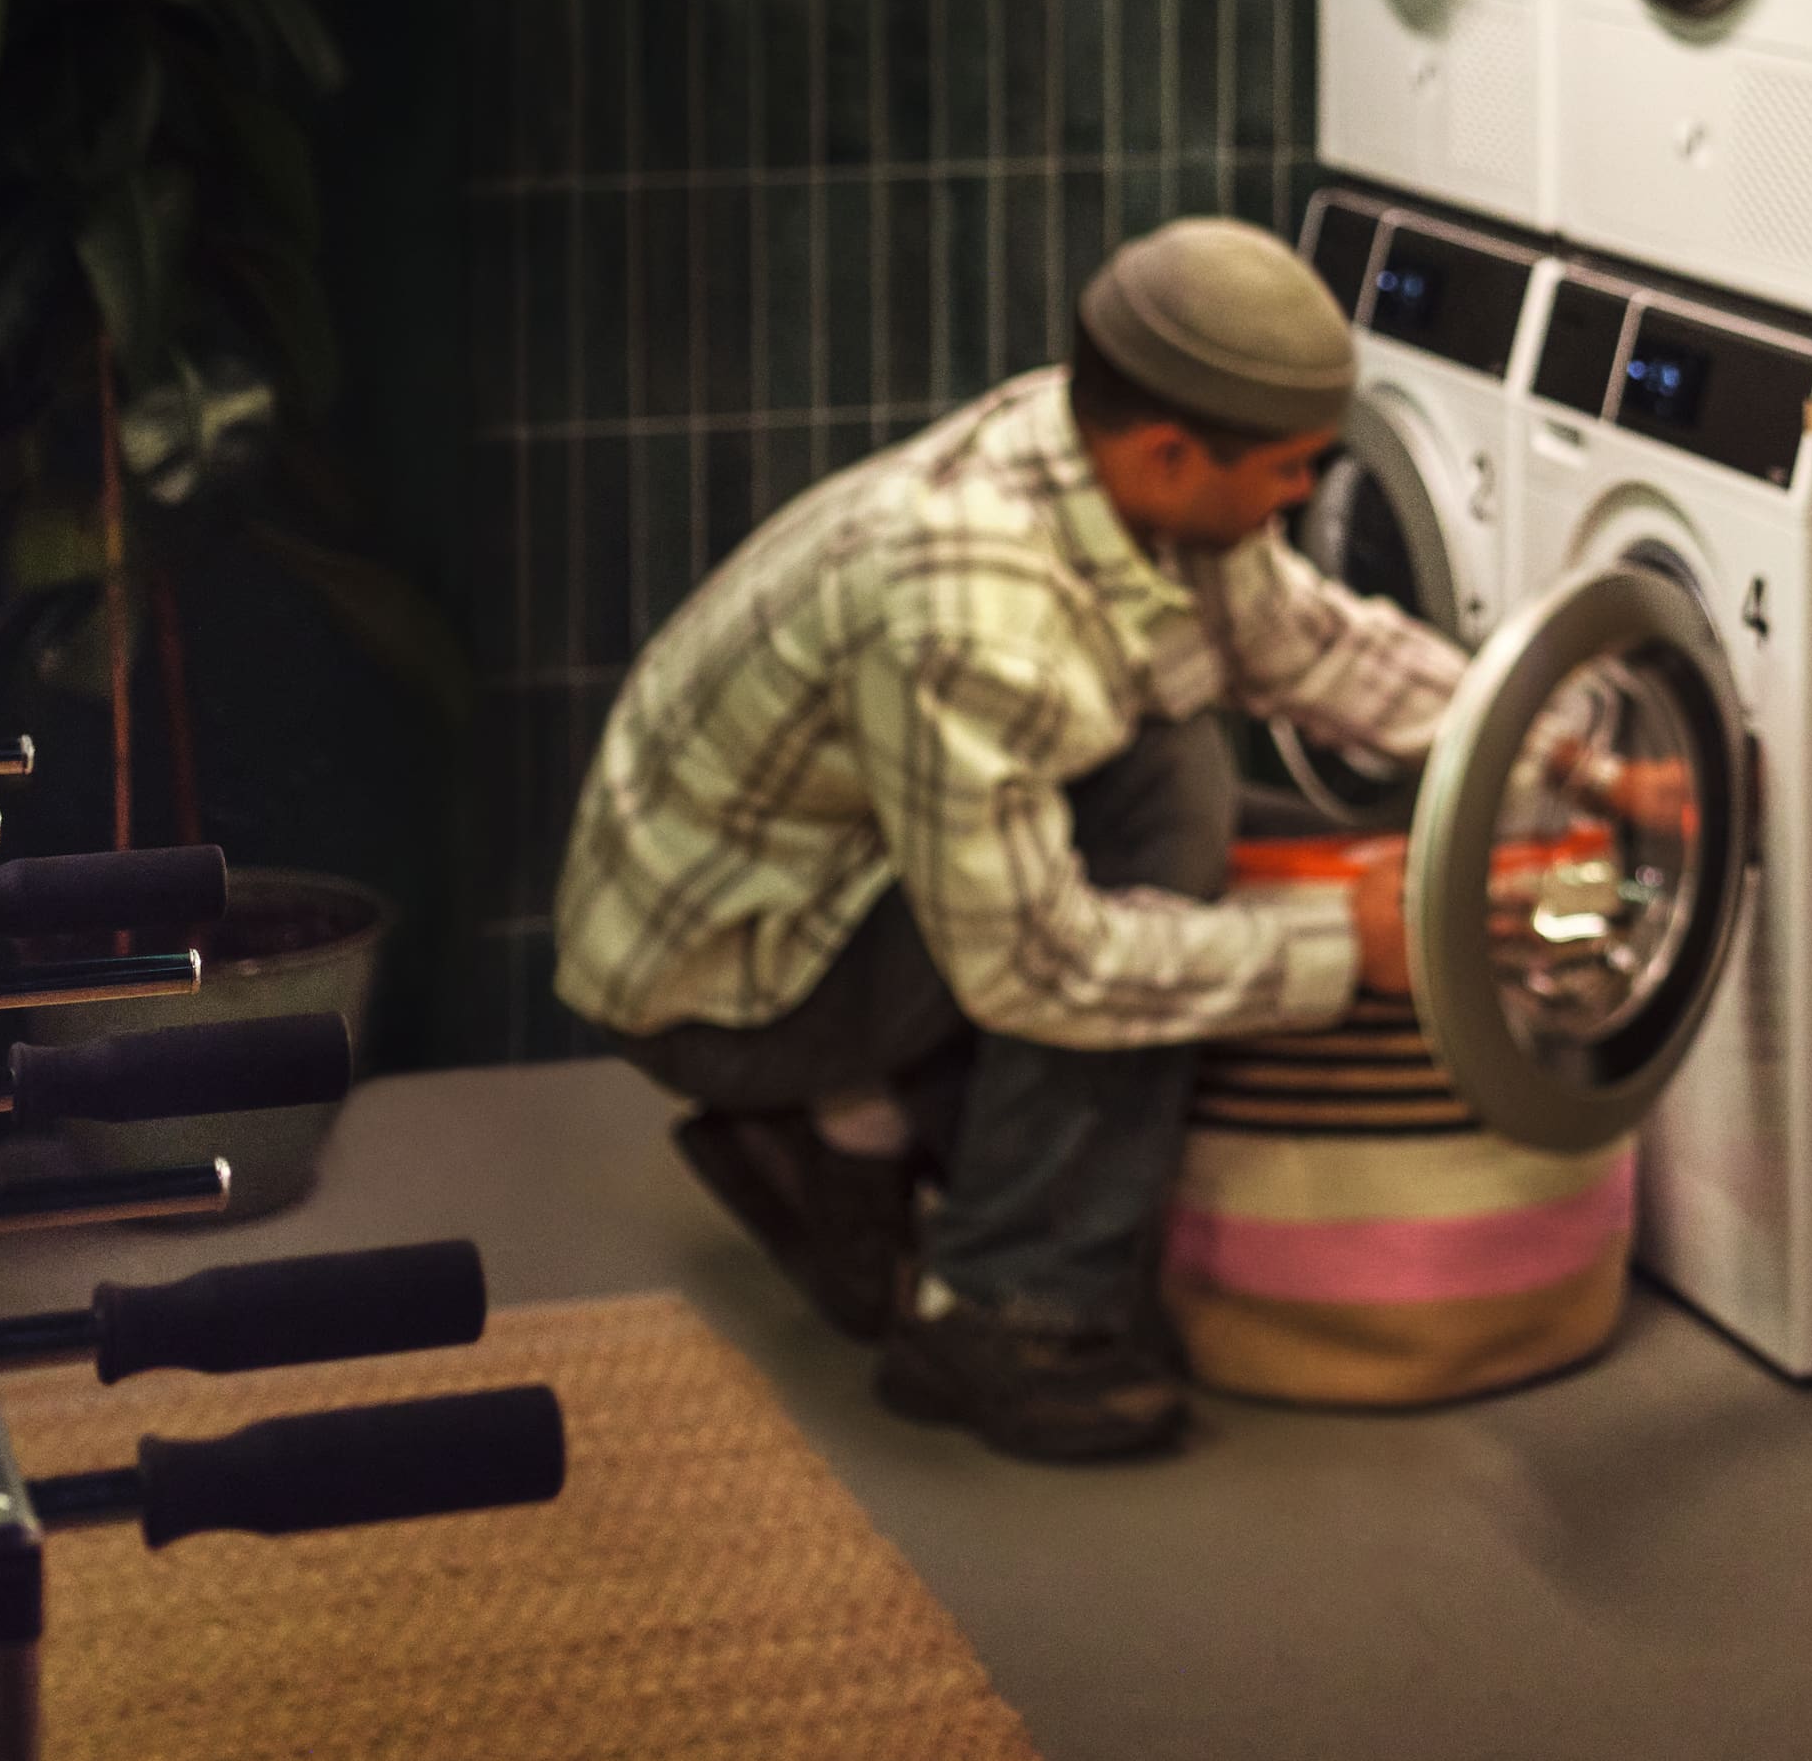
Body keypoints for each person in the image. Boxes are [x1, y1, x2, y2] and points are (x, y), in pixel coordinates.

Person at [556, 216, 1465, 1462]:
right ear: (1165, 452)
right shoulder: (966, 598)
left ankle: (848, 1140)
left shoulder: (1091, 456)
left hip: (830, 875)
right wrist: (1333, 950)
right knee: (1166, 809)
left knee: (1182, 787)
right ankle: (1001, 1310)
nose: (1303, 497)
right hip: (721, 974)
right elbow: (1035, 968)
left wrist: (1562, 735)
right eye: (1290, 471)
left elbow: (1307, 644)